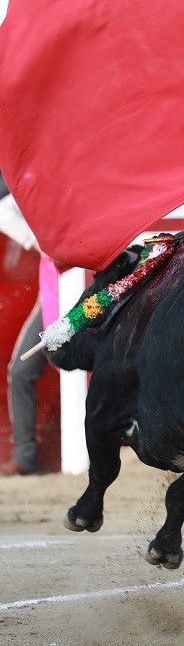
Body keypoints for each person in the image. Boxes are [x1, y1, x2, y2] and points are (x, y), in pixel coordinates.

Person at [0, 191, 53, 476]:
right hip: (58, 290)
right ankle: (25, 455)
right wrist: (41, 243)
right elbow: (4, 210)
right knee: (22, 370)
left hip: (96, 288)